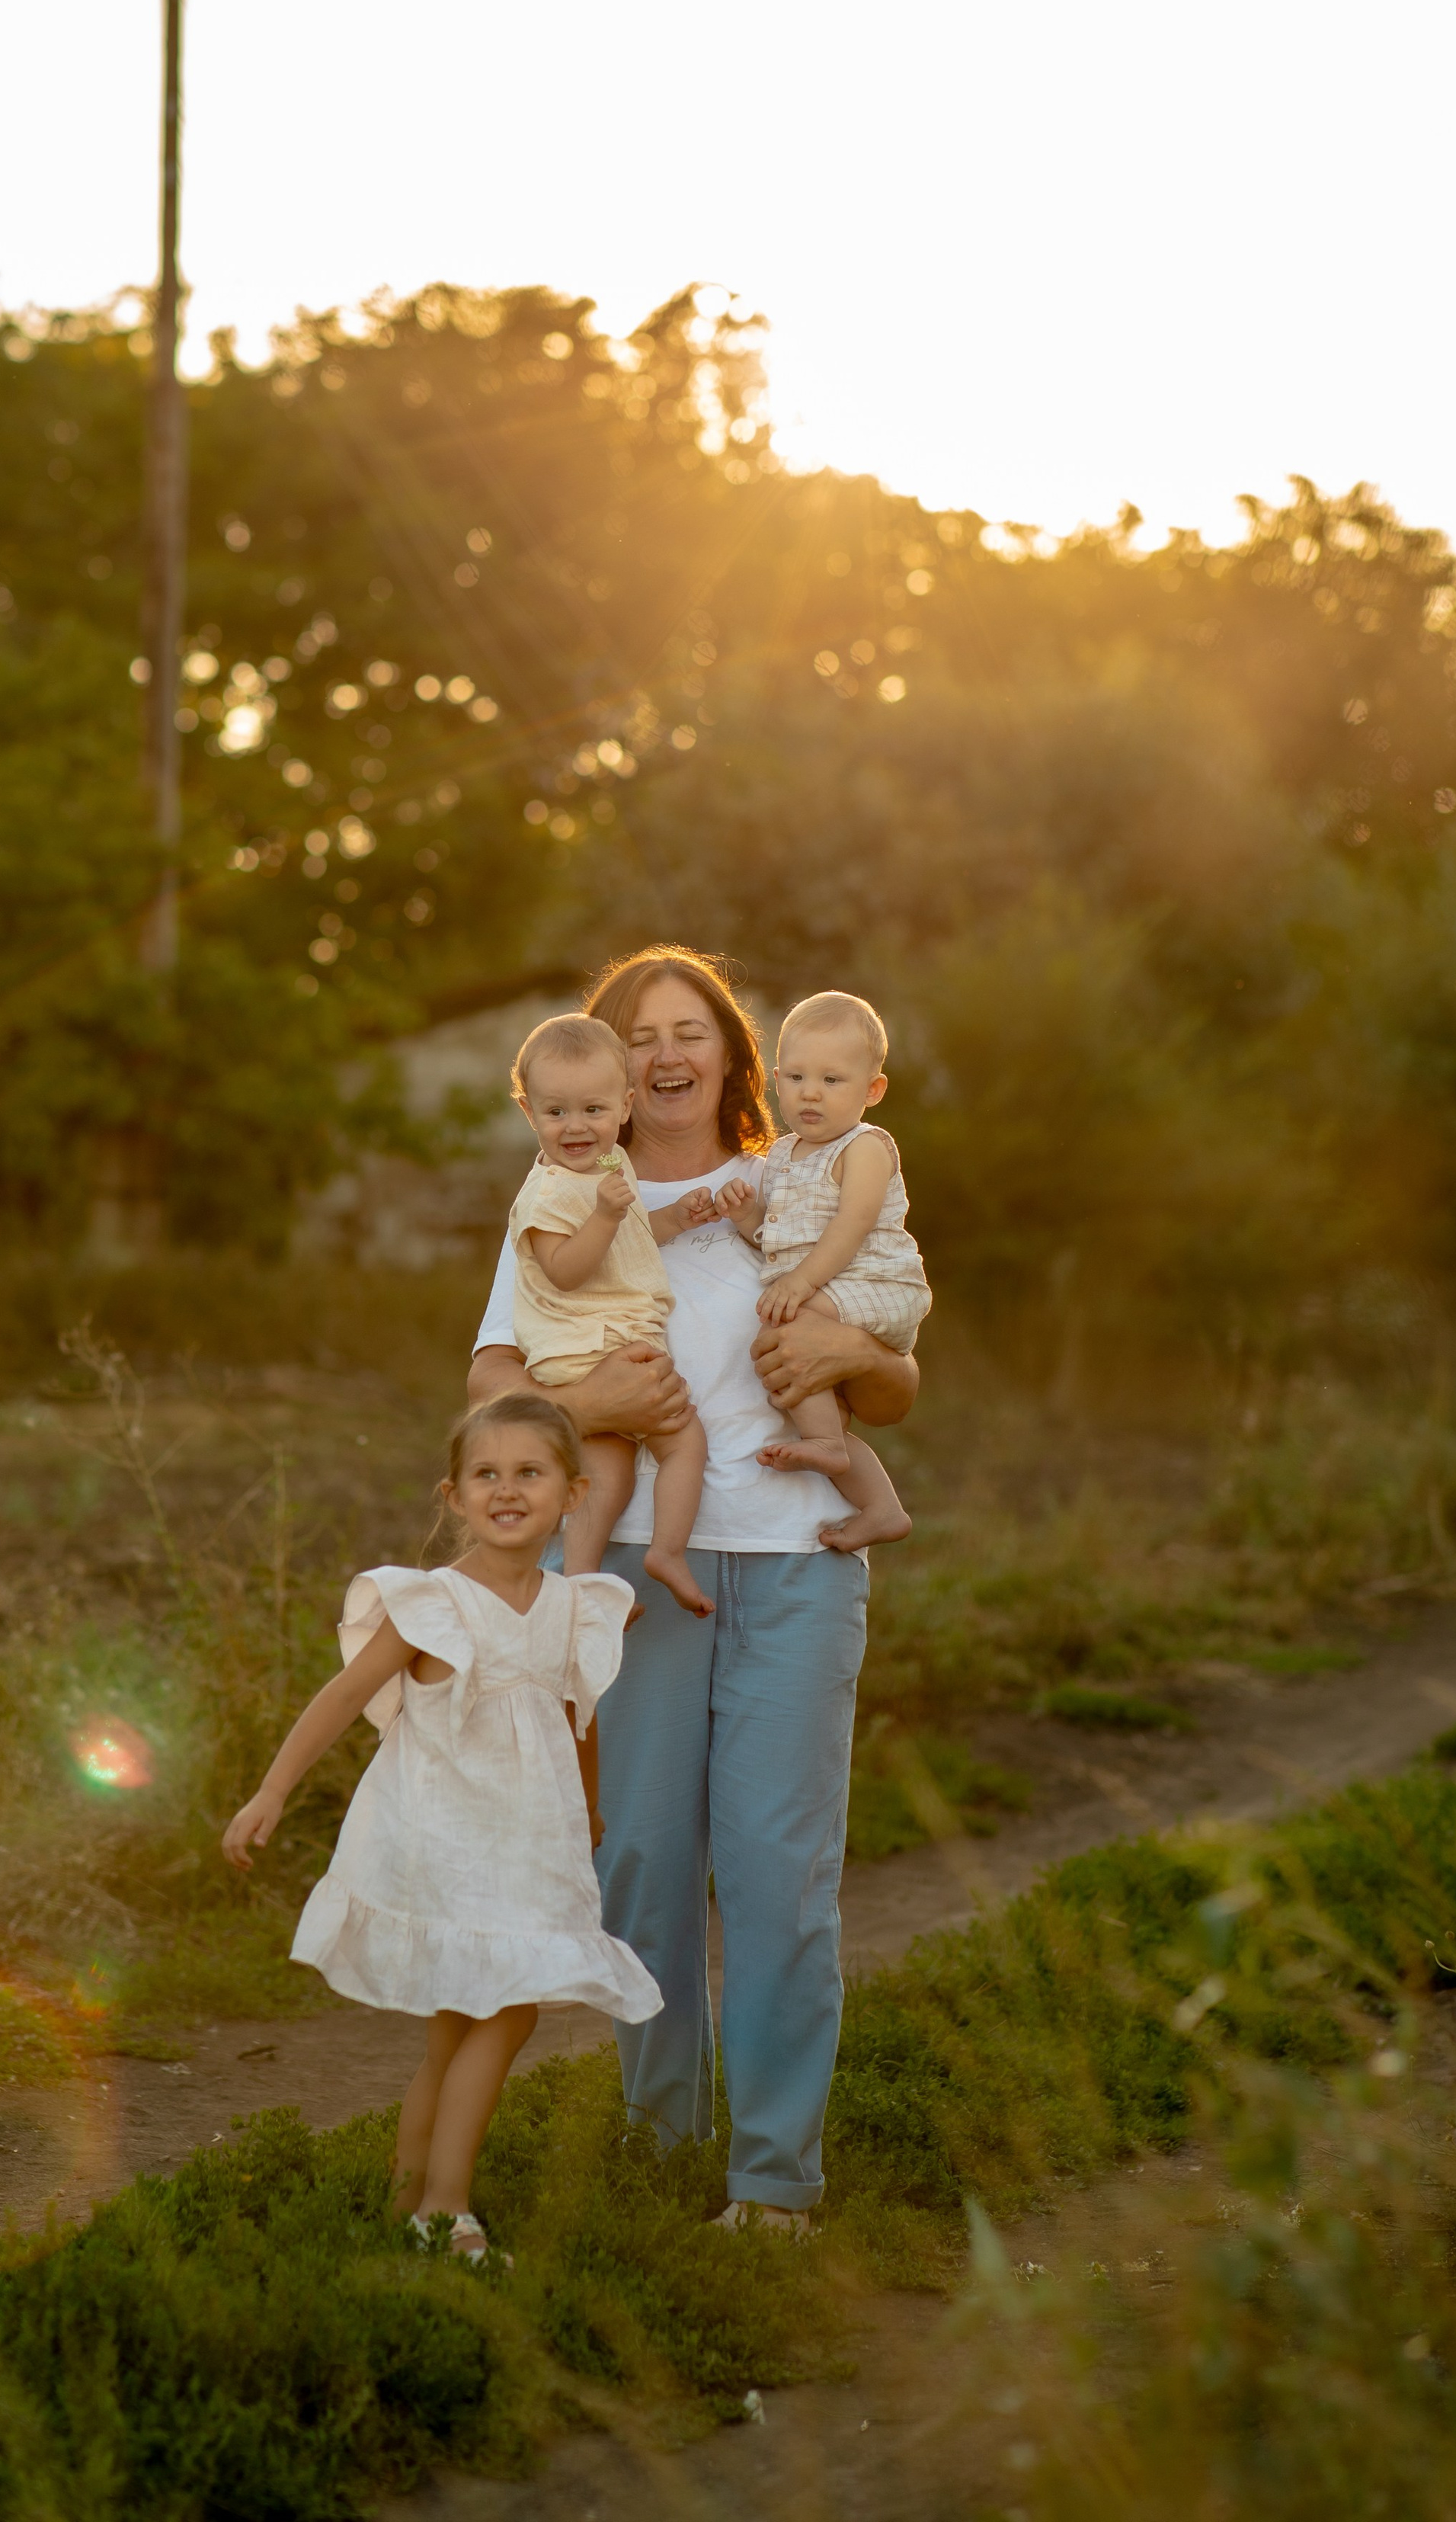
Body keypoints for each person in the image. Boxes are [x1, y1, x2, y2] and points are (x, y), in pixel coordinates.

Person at [467, 947, 919, 2233]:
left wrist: (858, 1357)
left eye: (690, 1033)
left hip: (797, 1563)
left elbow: (894, 1382)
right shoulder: (565, 1198)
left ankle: (774, 2182)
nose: (666, 1056)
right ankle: (662, 2148)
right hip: (626, 1574)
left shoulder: (796, 1180)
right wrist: (585, 1402)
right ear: (601, 1072)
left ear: (731, 1051)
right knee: (645, 1867)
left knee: (780, 1878)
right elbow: (493, 1393)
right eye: (638, 1036)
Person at [221, 1391, 660, 2264]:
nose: (506, 1489)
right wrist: (269, 1791)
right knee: (506, 2016)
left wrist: (593, 1803)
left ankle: (405, 2201)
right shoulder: (433, 1605)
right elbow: (343, 1698)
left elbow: (580, 1714)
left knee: (462, 2024)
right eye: (484, 1474)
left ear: (572, 1494)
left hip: (531, 1838)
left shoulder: (573, 1606)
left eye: (528, 1473)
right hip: (447, 1838)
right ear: (453, 1496)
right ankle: (446, 2209)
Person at [507, 1011, 715, 1619]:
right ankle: (668, 1551)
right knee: (685, 1441)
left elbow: (627, 1240)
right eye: (556, 1112)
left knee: (608, 1468)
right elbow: (567, 1268)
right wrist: (601, 1215)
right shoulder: (547, 1193)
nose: (576, 1127)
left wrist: (675, 1219)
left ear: (625, 1107)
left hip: (603, 1341)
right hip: (587, 1346)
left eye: (593, 1111)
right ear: (529, 1112)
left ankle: (579, 1583)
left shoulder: (606, 1166)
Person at [716, 989, 930, 1555]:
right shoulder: (784, 1156)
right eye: (798, 1078)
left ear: (872, 1090)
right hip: (828, 1287)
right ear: (777, 1080)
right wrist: (748, 1218)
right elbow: (782, 1244)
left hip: (876, 1284)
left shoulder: (864, 1147)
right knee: (820, 1405)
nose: (812, 1093)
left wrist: (802, 1284)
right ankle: (881, 1507)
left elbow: (852, 1225)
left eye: (833, 1080)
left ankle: (826, 1446)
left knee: (790, 1331)